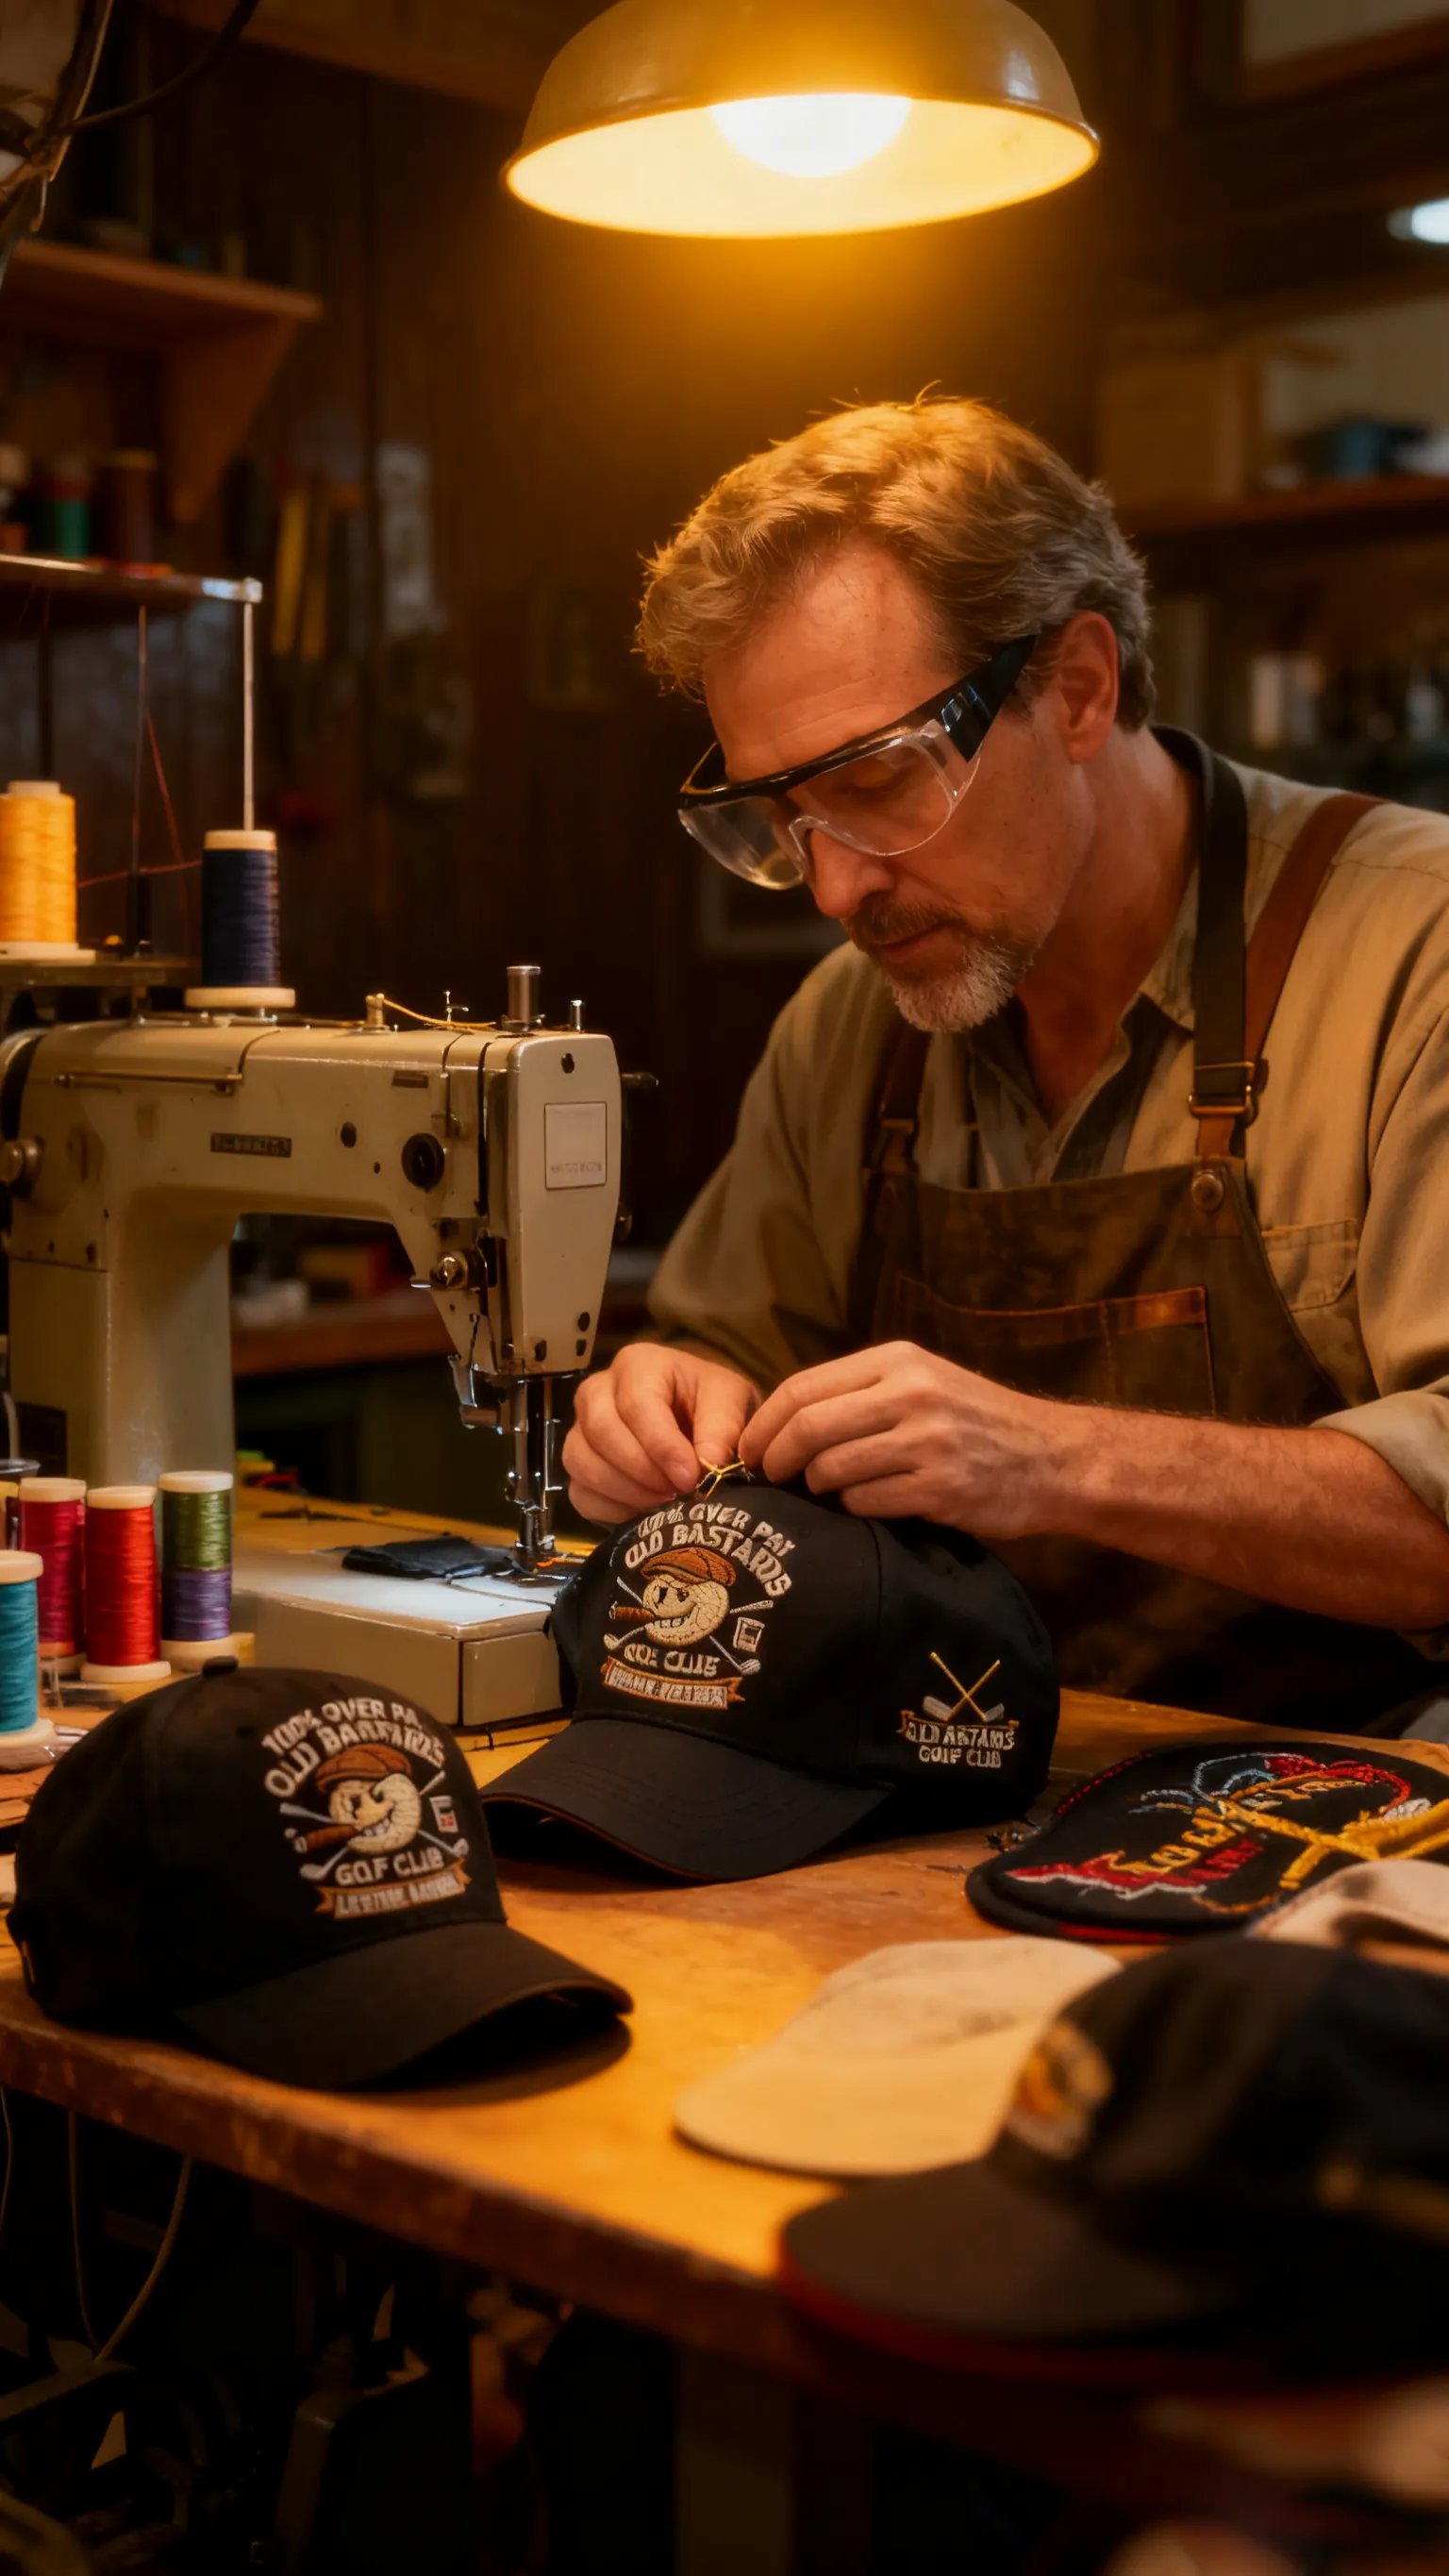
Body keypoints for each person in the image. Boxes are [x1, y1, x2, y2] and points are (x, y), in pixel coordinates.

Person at [563, 397, 1449, 1728]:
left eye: (877, 781)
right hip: (944, 1799)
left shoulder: (1414, 952)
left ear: (1078, 688)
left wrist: (1055, 1458)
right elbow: (722, 1344)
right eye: (787, 817)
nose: (836, 887)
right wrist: (659, 1405)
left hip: (1354, 1835)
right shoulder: (847, 1025)